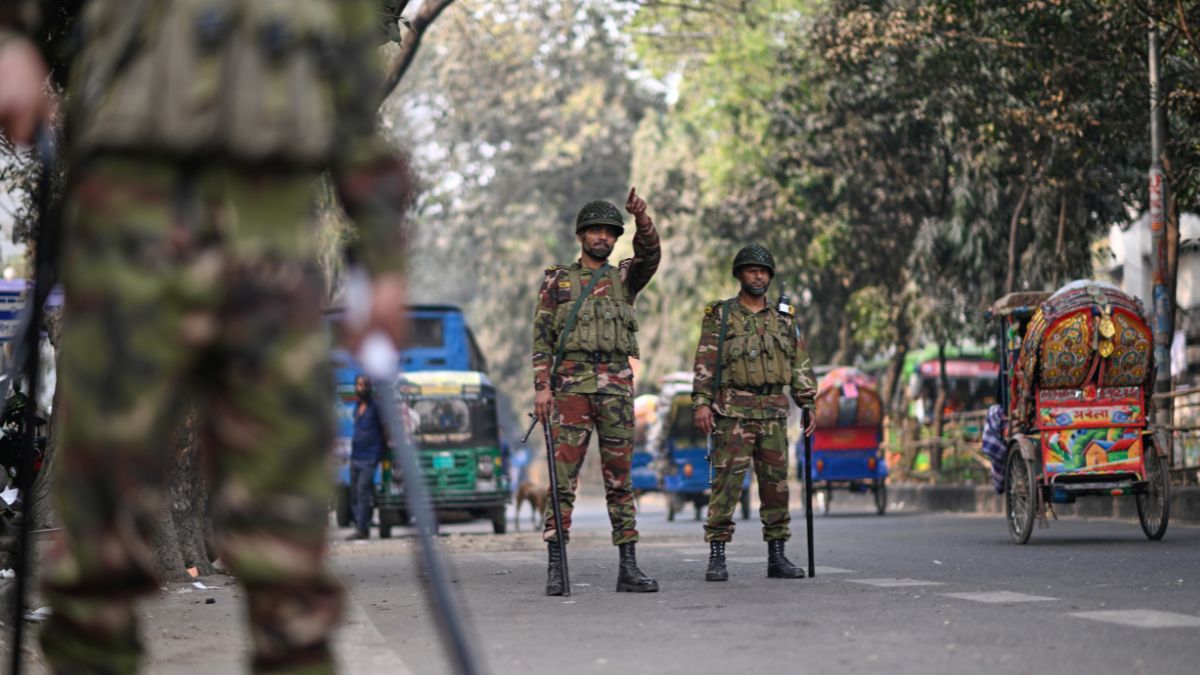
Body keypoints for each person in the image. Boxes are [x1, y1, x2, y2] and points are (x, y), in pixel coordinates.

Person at [0, 2, 413, 672]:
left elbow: (355, 117)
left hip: (268, 267)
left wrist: (384, 267)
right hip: (126, 254)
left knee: (286, 550)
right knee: (96, 554)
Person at [531, 190, 660, 595]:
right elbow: (542, 338)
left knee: (620, 480)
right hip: (570, 388)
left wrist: (642, 220)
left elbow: (651, 255)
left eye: (610, 232)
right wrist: (542, 387)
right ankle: (556, 567)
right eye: (596, 230)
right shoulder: (557, 281)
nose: (603, 237)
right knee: (562, 480)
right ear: (581, 235)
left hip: (616, 389)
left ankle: (628, 566)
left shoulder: (624, 278)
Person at [691, 243, 817, 582]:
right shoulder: (721, 316)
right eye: (752, 270)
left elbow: (799, 362)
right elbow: (705, 361)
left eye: (763, 272)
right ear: (740, 275)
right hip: (733, 412)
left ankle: (777, 556)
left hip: (773, 411)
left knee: (776, 486)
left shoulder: (784, 319)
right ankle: (717, 555)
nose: (758, 276)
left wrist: (807, 402)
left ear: (770, 277)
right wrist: (701, 402)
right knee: (727, 484)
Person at [348, 375, 388, 541]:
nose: (362, 388)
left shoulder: (376, 407)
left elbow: (385, 429)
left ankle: (361, 529)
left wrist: (381, 452)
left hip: (369, 458)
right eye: (359, 385)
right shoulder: (357, 407)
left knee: (363, 492)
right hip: (355, 457)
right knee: (355, 495)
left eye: (365, 385)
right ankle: (363, 524)